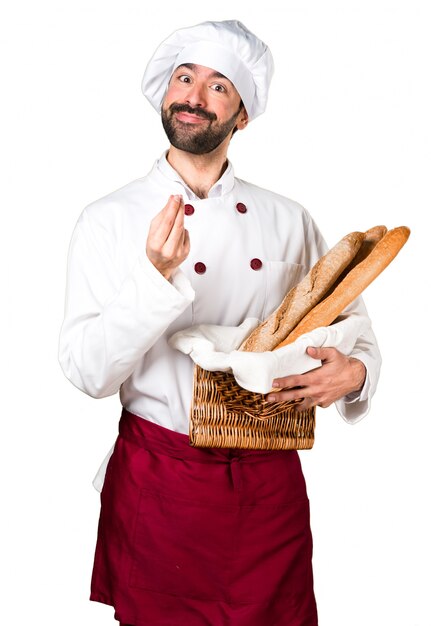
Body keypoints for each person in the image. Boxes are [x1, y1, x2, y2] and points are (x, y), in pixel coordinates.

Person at [59, 20, 381, 626]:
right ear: (164, 95)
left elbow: (355, 329)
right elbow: (87, 372)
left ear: (242, 117)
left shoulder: (289, 219)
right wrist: (155, 279)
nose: (194, 95)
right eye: (185, 78)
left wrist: (357, 373)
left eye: (218, 86)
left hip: (269, 487)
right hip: (160, 483)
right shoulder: (107, 220)